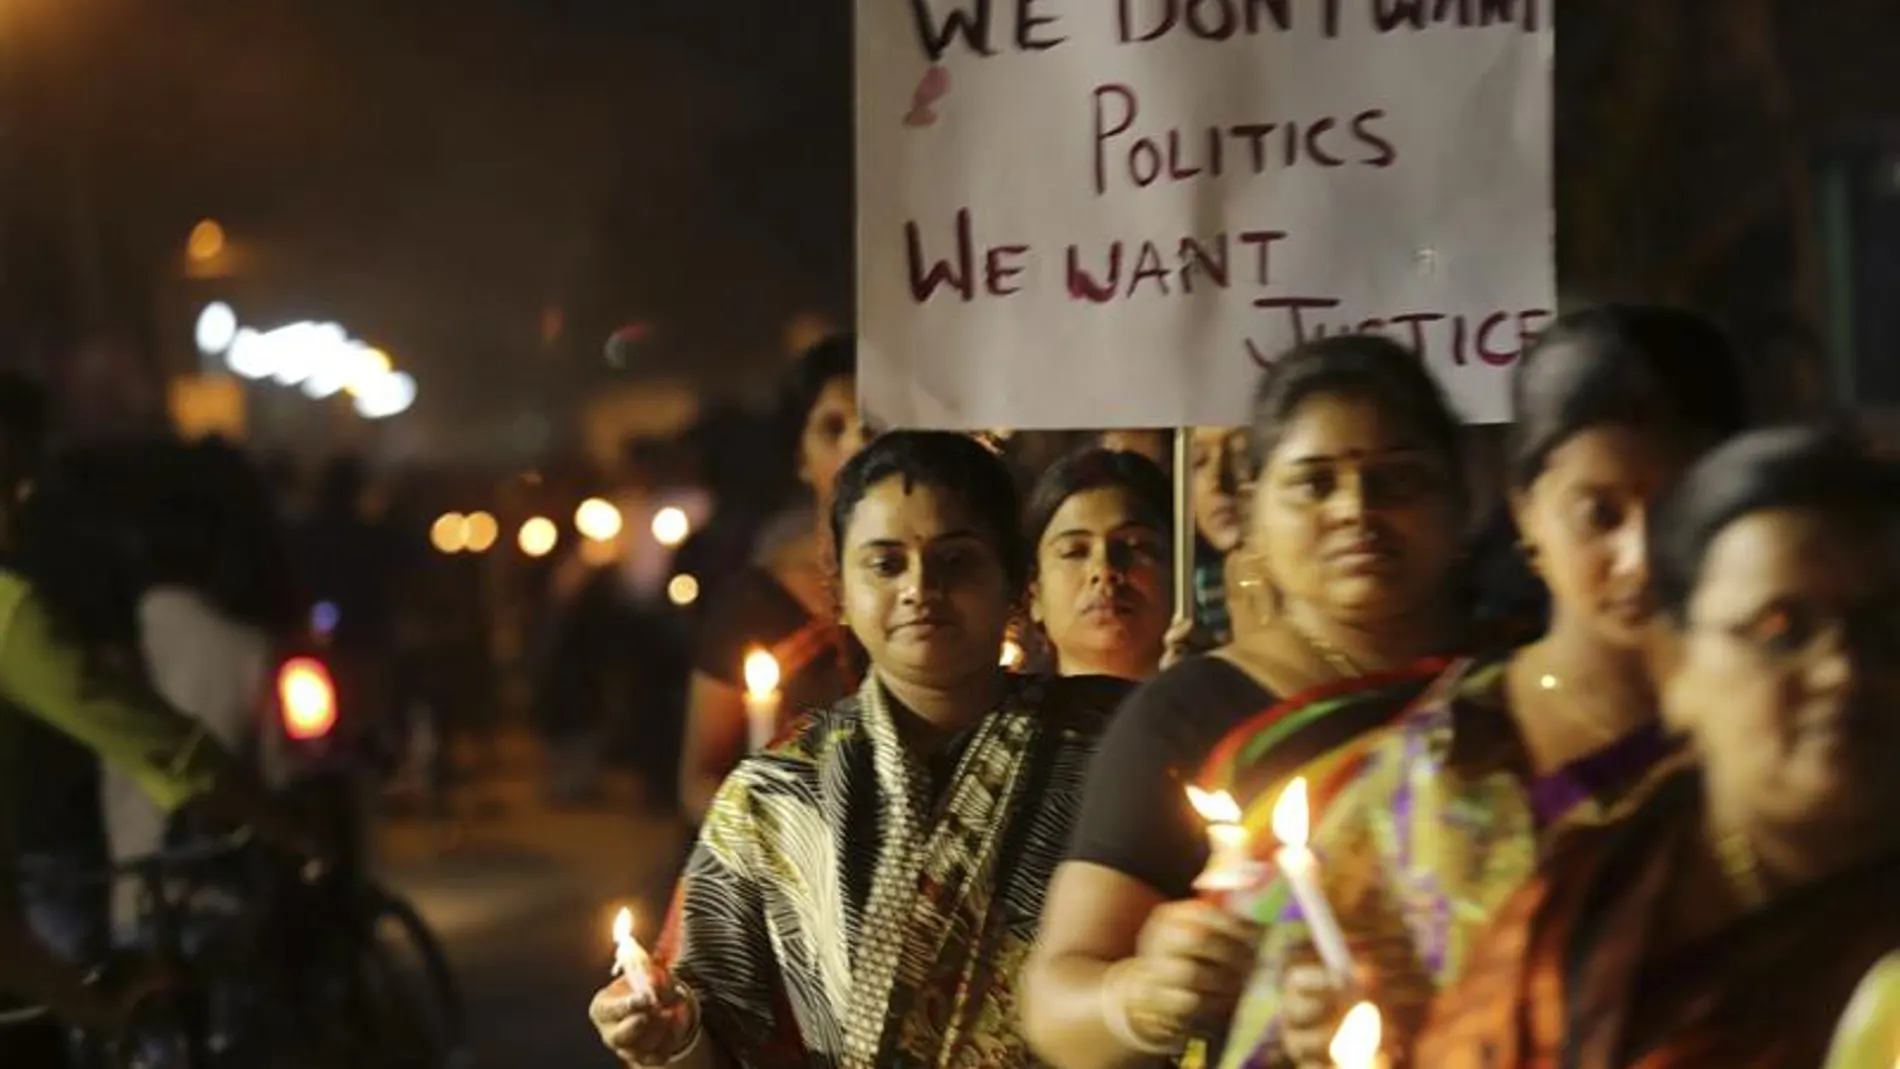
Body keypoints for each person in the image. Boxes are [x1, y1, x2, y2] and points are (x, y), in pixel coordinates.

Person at [1221, 306, 1755, 1068]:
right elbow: (1281, 1035)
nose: (1640, 555)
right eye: (1598, 513)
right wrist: (1325, 1031)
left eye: (1677, 510)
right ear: (1524, 511)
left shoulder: (1791, 744)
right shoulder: (1429, 773)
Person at [589, 432, 1132, 1068]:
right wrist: (668, 1032)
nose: (919, 587)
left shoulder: (1113, 747)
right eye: (885, 563)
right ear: (838, 591)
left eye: (955, 560)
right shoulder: (774, 795)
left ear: (1013, 581)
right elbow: (712, 1031)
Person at [1019, 334, 1471, 1069]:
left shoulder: (1516, 689)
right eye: (1315, 483)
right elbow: (1053, 1001)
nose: (1357, 509)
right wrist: (1141, 994)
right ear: (1256, 510)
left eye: (1397, 480)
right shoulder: (1191, 714)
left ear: (1458, 501)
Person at [1417, 426, 1900, 1069]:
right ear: (1674, 665)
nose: (1842, 671)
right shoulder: (1583, 902)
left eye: (1885, 630)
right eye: (1781, 630)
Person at [678, 335, 869, 824]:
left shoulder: (936, 592)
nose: (858, 445)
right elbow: (701, 780)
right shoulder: (754, 605)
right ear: (801, 458)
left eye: (875, 426)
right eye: (833, 428)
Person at [1024, 448, 1173, 681]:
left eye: (1134, 545)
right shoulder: (996, 716)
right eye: (1075, 552)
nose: (1104, 570)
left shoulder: (1229, 712)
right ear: (1034, 594)